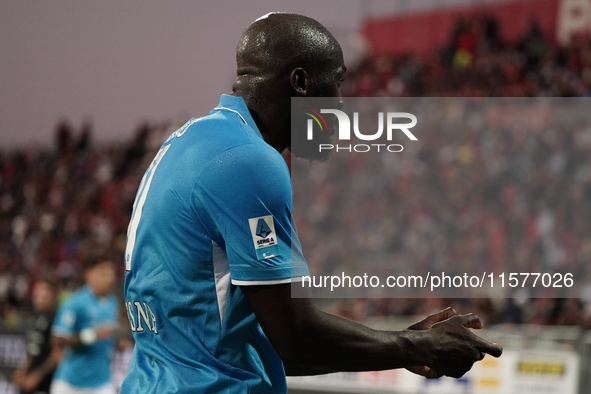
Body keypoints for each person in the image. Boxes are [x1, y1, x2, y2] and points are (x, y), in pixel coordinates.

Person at [120, 12, 502, 394]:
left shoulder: (190, 141)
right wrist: (423, 345)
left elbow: (260, 344)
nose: (340, 104)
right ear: (301, 82)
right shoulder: (248, 161)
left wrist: (401, 344)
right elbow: (296, 342)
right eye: (336, 83)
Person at [50, 257, 118, 394]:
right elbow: (57, 338)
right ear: (89, 274)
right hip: (71, 383)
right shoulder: (75, 302)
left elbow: (107, 336)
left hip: (102, 383)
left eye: (111, 274)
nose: (109, 278)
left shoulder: (112, 303)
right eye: (103, 273)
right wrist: (91, 336)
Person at [12, 279, 60, 394]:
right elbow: (32, 350)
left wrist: (37, 375)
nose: (39, 300)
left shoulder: (57, 320)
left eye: (43, 296)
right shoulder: (34, 318)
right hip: (28, 381)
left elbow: (57, 354)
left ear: (52, 296)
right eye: (36, 295)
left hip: (47, 383)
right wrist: (22, 370)